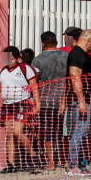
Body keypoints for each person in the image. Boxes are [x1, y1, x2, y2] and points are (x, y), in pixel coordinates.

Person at [0, 46, 39, 174]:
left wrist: (37, 104)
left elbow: (34, 87)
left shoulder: (25, 69)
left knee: (17, 132)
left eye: (11, 59)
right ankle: (11, 164)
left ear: (17, 58)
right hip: (7, 105)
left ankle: (34, 155)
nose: (8, 61)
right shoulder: (1, 71)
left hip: (21, 103)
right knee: (10, 135)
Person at [31, 31, 68, 170]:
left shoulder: (37, 60)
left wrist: (37, 103)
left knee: (47, 132)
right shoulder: (66, 57)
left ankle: (51, 163)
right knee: (62, 132)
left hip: (45, 101)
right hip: (63, 100)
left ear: (42, 44)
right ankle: (62, 160)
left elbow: (34, 82)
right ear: (57, 42)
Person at [66, 29, 91, 176]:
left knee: (84, 133)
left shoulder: (82, 54)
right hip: (80, 101)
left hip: (86, 100)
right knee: (78, 133)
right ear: (90, 39)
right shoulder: (77, 54)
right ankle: (73, 166)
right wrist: (81, 101)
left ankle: (82, 162)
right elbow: (74, 77)